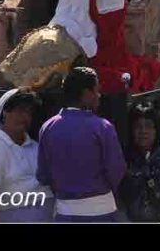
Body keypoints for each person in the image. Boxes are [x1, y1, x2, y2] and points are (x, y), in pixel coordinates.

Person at [36, 67, 126, 221]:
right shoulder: (102, 127)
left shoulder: (48, 127)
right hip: (102, 212)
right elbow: (116, 170)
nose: (99, 95)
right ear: (87, 93)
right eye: (96, 91)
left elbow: (43, 174)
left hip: (64, 212)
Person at [0, 88, 54, 222]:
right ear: (5, 112)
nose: (24, 117)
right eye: (20, 110)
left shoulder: (35, 147)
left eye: (28, 112)